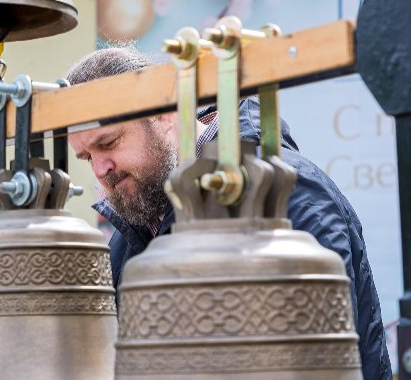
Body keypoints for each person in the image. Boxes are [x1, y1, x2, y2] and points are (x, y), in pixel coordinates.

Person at [65, 48, 393, 380]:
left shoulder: (285, 192)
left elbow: (318, 360)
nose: (100, 169)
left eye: (108, 143)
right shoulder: (130, 237)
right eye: (86, 157)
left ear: (163, 115)